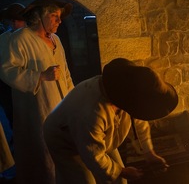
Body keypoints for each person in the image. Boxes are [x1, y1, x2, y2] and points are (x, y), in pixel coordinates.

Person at [43, 58, 178, 184]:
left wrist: (150, 154)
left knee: (118, 180)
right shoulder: (92, 111)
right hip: (65, 141)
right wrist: (122, 171)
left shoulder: (127, 90)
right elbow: (94, 156)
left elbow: (139, 122)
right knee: (84, 180)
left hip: (96, 136)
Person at [0, 0, 75, 184]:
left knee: (64, 152)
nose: (59, 21)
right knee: (42, 155)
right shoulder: (19, 39)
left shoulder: (56, 40)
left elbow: (65, 73)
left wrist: (73, 101)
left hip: (61, 107)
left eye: (60, 17)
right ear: (40, 16)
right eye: (54, 16)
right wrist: (40, 76)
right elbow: (7, 70)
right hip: (37, 109)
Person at [0, 3, 26, 129]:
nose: (15, 24)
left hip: (25, 82)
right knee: (12, 115)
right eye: (12, 21)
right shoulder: (4, 39)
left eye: (18, 21)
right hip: (6, 86)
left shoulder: (28, 37)